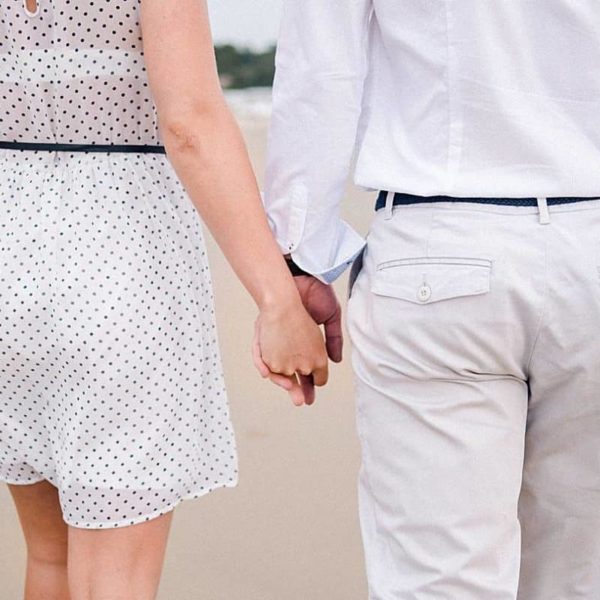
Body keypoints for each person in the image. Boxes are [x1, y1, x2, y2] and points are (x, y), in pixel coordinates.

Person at [263, 1, 600, 598]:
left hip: (437, 250)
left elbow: (323, 71)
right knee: (579, 576)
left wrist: (299, 261)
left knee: (439, 582)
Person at [0, 0, 329, 598]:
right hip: (120, 265)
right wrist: (279, 299)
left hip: (10, 253)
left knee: (50, 561)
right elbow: (189, 123)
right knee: (114, 579)